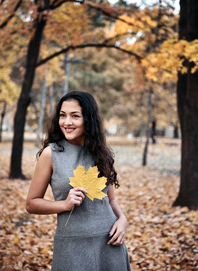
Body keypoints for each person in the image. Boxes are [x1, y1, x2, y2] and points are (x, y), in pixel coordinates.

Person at [26, 91, 131, 271]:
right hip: (72, 244)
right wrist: (64, 204)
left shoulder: (101, 153)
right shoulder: (51, 154)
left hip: (109, 243)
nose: (67, 122)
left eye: (75, 116)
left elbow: (110, 199)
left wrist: (122, 219)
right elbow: (31, 203)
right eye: (62, 115)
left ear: (88, 119)